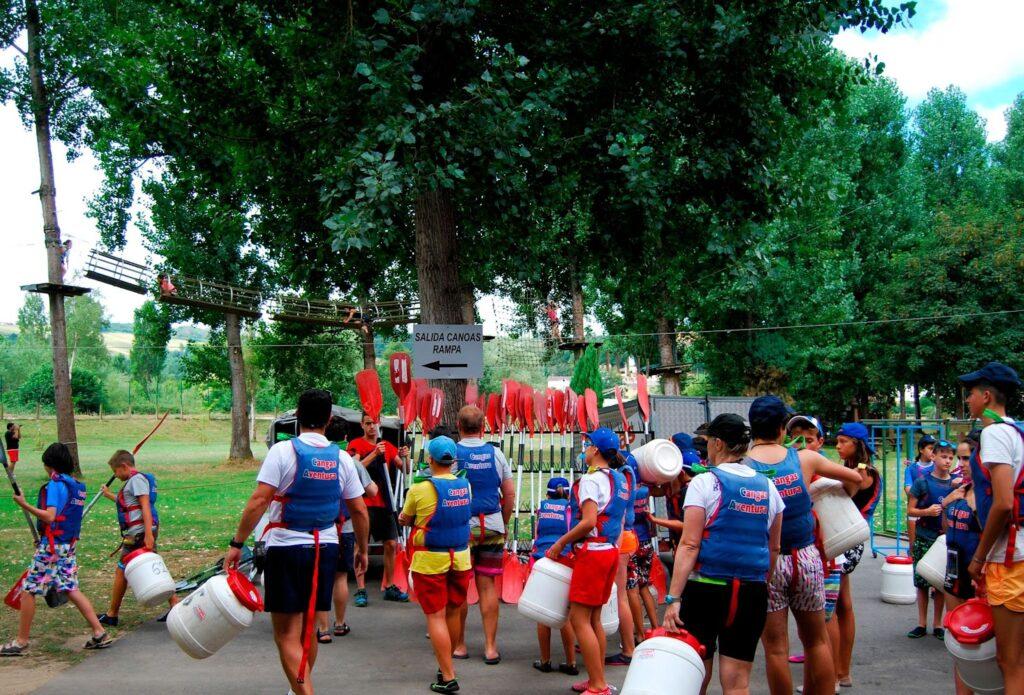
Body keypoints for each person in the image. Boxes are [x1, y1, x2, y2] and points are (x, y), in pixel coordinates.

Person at [224, 389, 369, 695]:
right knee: (308, 631)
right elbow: (359, 509)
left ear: (297, 418)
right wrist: (362, 548)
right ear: (329, 420)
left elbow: (258, 501)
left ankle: (304, 692)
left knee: (285, 634)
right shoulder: (342, 458)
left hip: (286, 549)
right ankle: (299, 688)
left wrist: (237, 543)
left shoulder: (282, 452)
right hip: (326, 549)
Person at [745, 396, 865, 695]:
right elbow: (856, 480)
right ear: (782, 428)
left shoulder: (743, 467)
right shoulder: (804, 459)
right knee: (817, 641)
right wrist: (826, 492)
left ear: (753, 428)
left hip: (766, 564)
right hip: (807, 558)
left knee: (775, 650)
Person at [662, 413, 784, 695]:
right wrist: (761, 585)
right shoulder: (769, 487)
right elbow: (773, 547)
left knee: (694, 676)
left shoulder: (704, 484)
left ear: (717, 443)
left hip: (706, 590)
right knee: (738, 683)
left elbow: (689, 545)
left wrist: (674, 598)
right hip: (751, 592)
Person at [2, 443, 112, 656]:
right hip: (67, 545)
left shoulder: (55, 485)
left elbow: (50, 516)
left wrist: (23, 503)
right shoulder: (75, 485)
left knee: (29, 589)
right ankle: (99, 632)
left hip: (53, 547)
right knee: (70, 587)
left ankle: (21, 641)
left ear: (50, 466)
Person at [545, 427, 628, 695]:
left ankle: (598, 685)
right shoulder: (618, 478)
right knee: (593, 620)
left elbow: (589, 521)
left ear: (595, 450)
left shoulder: (592, 481)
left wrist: (560, 543)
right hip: (610, 551)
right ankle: (596, 678)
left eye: (587, 444)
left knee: (579, 619)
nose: (584, 448)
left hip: (592, 554)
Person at [960, 362, 1024, 693]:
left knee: (1010, 662)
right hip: (1017, 552)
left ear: (986, 396)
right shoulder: (1016, 430)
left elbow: (1002, 503)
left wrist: (979, 557)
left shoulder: (995, 433)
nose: (967, 399)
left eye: (970, 393)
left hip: (1009, 558)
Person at [398, 436, 473, 694]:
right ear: (453, 461)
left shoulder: (419, 489)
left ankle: (448, 675)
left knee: (435, 615)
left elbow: (406, 518)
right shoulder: (466, 485)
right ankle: (446, 667)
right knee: (453, 611)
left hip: (430, 560)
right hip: (461, 558)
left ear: (430, 460)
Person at [453, 405, 515, 664]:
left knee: (459, 586)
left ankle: (459, 645)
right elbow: (509, 493)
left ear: (459, 426)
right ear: (483, 426)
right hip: (492, 527)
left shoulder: (451, 453)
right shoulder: (496, 454)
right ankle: (490, 647)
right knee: (487, 587)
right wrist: (503, 521)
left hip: (461, 530)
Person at [97, 450, 178, 626]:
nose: (116, 475)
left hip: (139, 534)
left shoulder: (137, 480)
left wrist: (148, 534)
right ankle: (175, 606)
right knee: (152, 565)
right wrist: (109, 494)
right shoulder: (132, 482)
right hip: (140, 533)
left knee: (122, 570)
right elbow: (128, 505)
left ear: (124, 466)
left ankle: (112, 614)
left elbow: (145, 506)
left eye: (116, 471)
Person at [832, 422, 883, 690]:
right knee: (843, 604)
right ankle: (841, 669)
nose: (838, 446)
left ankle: (838, 671)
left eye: (843, 441)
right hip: (847, 540)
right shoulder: (857, 470)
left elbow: (850, 490)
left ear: (857, 444)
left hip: (844, 541)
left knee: (835, 607)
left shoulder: (863, 472)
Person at [347, 412, 409, 606]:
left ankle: (389, 586)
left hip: (385, 504)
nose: (371, 427)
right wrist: (374, 454)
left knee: (390, 544)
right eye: (368, 423)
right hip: (363, 505)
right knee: (360, 546)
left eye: (374, 423)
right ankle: (361, 589)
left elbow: (403, 469)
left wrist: (405, 457)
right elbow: (353, 468)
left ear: (379, 424)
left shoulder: (387, 446)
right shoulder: (356, 445)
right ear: (362, 425)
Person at [316, 456, 377, 643]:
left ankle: (323, 628)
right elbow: (373, 491)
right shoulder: (350, 462)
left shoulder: (314, 460)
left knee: (320, 577)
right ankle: (340, 623)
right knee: (340, 576)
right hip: (346, 527)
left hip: (320, 528)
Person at [942, 434, 983, 695]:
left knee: (985, 647)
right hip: (954, 571)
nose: (962, 463)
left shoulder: (990, 494)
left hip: (980, 575)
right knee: (958, 646)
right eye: (960, 457)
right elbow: (946, 528)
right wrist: (947, 502)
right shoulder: (961, 489)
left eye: (967, 457)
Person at [907, 439, 957, 639]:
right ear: (933, 456)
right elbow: (911, 509)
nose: (947, 461)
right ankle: (921, 623)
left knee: (940, 584)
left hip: (944, 541)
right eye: (944, 456)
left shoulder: (955, 484)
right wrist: (926, 512)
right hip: (924, 535)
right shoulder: (922, 482)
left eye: (951, 458)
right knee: (921, 582)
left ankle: (938, 624)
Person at [529, 476, 578, 676]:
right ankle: (571, 662)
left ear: (547, 493)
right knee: (564, 615)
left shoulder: (542, 509)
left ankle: (545, 660)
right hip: (565, 562)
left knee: (543, 614)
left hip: (542, 561)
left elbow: (536, 534)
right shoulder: (571, 510)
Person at [605, 450, 639, 667]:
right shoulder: (627, 474)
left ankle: (628, 649)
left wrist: (613, 545)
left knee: (620, 597)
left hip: (621, 540)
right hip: (627, 537)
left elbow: (621, 514)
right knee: (618, 594)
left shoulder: (619, 477)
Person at [627, 473, 659, 640]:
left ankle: (639, 634)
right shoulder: (645, 490)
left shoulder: (625, 491)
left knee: (631, 590)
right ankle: (655, 628)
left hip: (632, 543)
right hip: (646, 541)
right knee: (644, 586)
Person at [905, 435, 938, 548]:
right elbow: (908, 488)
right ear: (921, 450)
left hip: (934, 513)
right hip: (916, 511)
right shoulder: (911, 468)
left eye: (935, 449)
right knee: (914, 546)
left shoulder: (937, 467)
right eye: (930, 448)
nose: (933, 451)